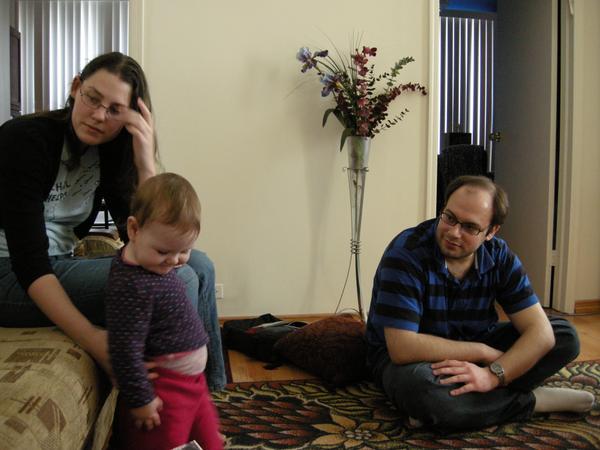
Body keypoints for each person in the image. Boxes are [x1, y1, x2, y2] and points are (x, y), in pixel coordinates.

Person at [0, 51, 226, 391]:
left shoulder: (109, 152)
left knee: (200, 265)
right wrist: (93, 338)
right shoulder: (25, 139)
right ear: (76, 87)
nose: (98, 115)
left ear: (130, 117)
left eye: (115, 110)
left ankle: (209, 396)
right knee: (180, 278)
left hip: (58, 262)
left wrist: (145, 161)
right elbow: (30, 263)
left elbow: (146, 237)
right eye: (92, 98)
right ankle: (168, 404)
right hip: (10, 273)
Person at [366, 175, 595, 433]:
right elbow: (402, 347)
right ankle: (531, 401)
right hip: (413, 359)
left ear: (491, 232)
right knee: (423, 389)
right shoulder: (407, 252)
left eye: (470, 227)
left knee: (564, 336)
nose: (453, 232)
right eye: (449, 217)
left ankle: (467, 404)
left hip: (476, 341)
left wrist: (493, 374)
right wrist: (484, 353)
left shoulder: (499, 256)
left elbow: (541, 333)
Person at [107, 172, 222, 450]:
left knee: (211, 443)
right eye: (163, 252)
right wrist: (141, 399)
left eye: (184, 251)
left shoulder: (154, 262)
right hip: (165, 392)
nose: (173, 261)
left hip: (194, 385)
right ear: (133, 230)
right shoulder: (131, 286)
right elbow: (123, 348)